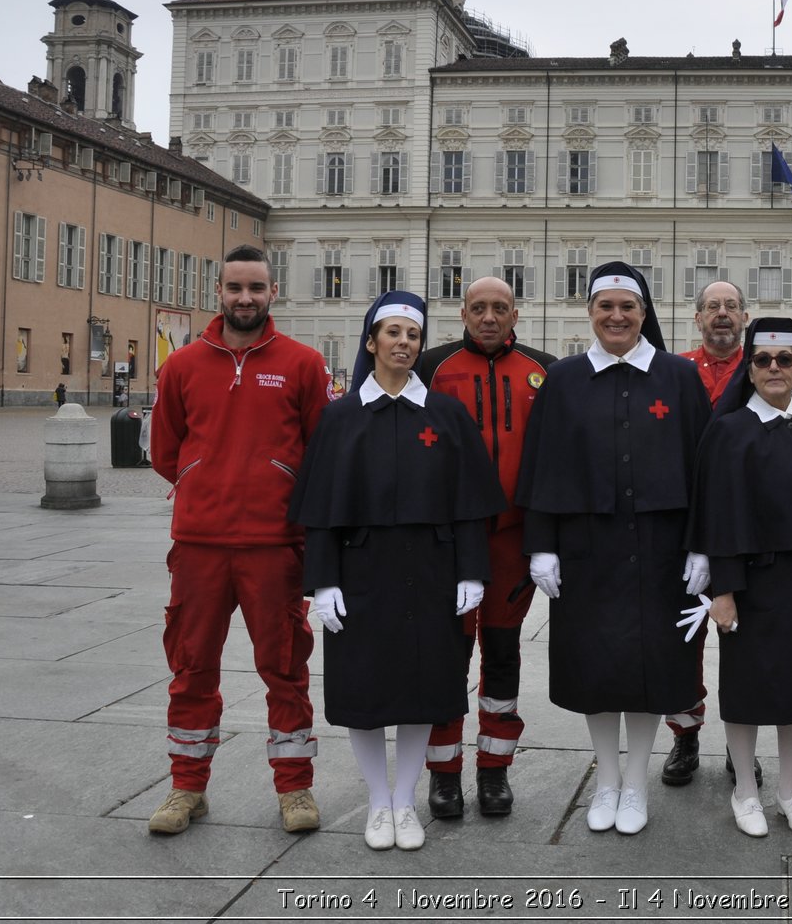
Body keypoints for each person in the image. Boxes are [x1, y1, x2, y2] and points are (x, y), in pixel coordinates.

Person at [289, 291, 505, 850]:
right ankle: (377, 802)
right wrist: (322, 581)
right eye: (393, 334)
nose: (404, 344)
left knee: (420, 689)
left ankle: (405, 800)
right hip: (360, 577)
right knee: (364, 691)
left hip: (430, 575)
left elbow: (469, 504)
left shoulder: (445, 414)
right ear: (371, 342)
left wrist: (471, 573)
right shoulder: (340, 418)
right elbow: (320, 512)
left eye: (413, 336)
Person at [516, 261, 712, 835]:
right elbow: (542, 464)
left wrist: (705, 547)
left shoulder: (677, 376)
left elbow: (705, 469)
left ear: (644, 314)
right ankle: (606, 780)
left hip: (662, 549)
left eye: (628, 307)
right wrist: (541, 546)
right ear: (591, 314)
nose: (617, 317)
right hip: (587, 549)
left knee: (651, 668)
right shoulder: (566, 379)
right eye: (606, 307)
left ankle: (636, 786)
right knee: (597, 669)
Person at [146, 244, 330, 836]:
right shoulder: (182, 366)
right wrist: (204, 482)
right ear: (219, 292)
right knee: (192, 666)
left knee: (284, 668)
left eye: (256, 288)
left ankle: (295, 788)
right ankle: (186, 788)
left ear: (273, 292)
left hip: (274, 545)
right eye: (235, 288)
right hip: (199, 544)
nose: (245, 298)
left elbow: (319, 450)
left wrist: (274, 489)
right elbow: (167, 451)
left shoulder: (303, 364)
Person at [688, 317, 792, 837]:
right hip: (752, 584)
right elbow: (718, 515)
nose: (775, 369)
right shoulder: (729, 431)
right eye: (763, 360)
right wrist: (722, 591)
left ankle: (789, 789)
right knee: (748, 690)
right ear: (749, 369)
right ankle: (745, 791)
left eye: (785, 360)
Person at [417, 277, 556, 819]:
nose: (490, 317)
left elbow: (552, 459)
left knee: (501, 655)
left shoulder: (543, 369)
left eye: (500, 308)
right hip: (450, 540)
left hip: (512, 542)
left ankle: (495, 770)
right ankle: (444, 773)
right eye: (480, 308)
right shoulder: (432, 366)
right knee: (447, 658)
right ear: (463, 313)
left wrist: (545, 539)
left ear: (516, 312)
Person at [664, 279, 752, 787]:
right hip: (685, 524)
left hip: (745, 525)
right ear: (697, 318)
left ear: (745, 317)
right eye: (712, 306)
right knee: (685, 639)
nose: (722, 313)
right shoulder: (676, 371)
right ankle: (685, 735)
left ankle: (745, 743)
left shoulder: (764, 366)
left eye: (731, 306)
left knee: (747, 640)